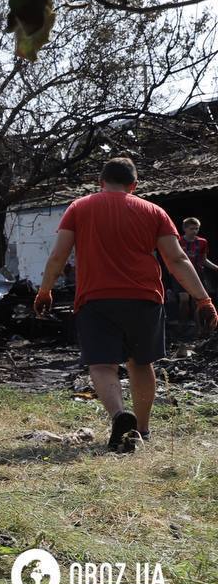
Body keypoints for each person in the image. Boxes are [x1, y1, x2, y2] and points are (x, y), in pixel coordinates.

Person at [34, 158, 217, 452]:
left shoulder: (79, 208)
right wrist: (203, 298)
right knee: (141, 364)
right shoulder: (154, 210)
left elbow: (58, 255)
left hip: (96, 299)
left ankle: (120, 416)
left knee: (102, 364)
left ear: (100, 182)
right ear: (134, 186)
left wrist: (45, 291)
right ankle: (142, 430)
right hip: (144, 298)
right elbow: (177, 259)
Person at [177, 217, 218, 335]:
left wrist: (216, 267)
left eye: (197, 228)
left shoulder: (202, 242)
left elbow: (203, 260)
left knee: (198, 302)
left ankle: (198, 328)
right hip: (182, 274)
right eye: (191, 228)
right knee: (184, 300)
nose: (194, 231)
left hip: (197, 274)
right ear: (185, 229)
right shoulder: (178, 241)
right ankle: (182, 327)